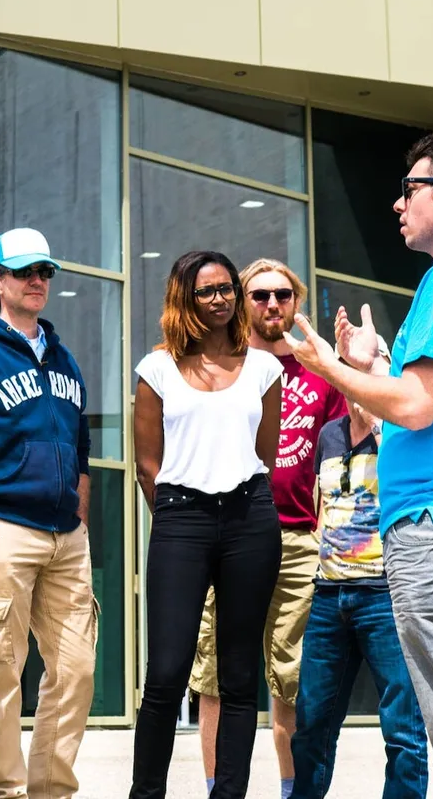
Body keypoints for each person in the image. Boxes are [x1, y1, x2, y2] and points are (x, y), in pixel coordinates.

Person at [284, 129, 433, 798]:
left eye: (410, 189)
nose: (397, 204)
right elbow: (431, 409)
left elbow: (416, 407)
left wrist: (332, 369)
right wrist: (377, 367)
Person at [0, 227, 95, 799]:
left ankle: (50, 790)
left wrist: (78, 514)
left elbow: (80, 447)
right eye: (26, 271)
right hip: (3, 528)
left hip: (64, 536)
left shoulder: (64, 357)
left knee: (75, 669)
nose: (37, 281)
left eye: (45, 272)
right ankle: (4, 791)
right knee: (2, 671)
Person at [190, 259, 345, 799]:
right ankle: (218, 789)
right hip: (227, 532)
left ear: (296, 302)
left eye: (283, 294)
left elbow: (344, 458)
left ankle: (292, 791)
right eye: (259, 296)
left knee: (292, 680)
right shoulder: (223, 368)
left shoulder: (322, 376)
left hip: (300, 540)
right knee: (215, 677)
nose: (272, 304)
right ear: (242, 302)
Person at [131, 250, 283, 799]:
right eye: (205, 291)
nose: (219, 299)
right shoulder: (157, 368)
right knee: (167, 673)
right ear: (184, 299)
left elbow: (262, 452)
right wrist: (175, 514)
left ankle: (229, 793)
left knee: (240, 676)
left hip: (250, 519)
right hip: (181, 521)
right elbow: (147, 463)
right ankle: (145, 793)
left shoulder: (266, 369)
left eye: (226, 289)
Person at [290, 338, 428, 799]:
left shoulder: (396, 431)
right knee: (310, 725)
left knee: (403, 729)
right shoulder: (328, 435)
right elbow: (321, 505)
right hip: (330, 595)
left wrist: (378, 419)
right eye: (345, 368)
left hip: (384, 594)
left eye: (362, 370)